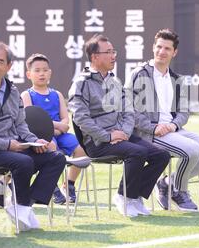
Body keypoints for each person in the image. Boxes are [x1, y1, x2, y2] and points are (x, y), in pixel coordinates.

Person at [0, 41, 66, 229]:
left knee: (56, 157)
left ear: (8, 66)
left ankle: (23, 206)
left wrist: (35, 141)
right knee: (24, 162)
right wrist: (8, 144)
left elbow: (21, 124)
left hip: (15, 147)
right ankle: (21, 207)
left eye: (0, 62)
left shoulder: (13, 90)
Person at [68, 34, 170, 217]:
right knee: (137, 152)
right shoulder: (81, 84)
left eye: (113, 51)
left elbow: (128, 112)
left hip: (120, 136)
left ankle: (135, 196)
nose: (113, 56)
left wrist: (122, 132)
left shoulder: (114, 82)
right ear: (94, 57)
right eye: (108, 52)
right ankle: (124, 196)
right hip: (98, 142)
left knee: (160, 155)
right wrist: (108, 136)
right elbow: (81, 119)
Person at [126, 28, 199, 211]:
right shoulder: (140, 74)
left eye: (167, 49)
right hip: (150, 133)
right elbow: (129, 108)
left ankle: (167, 184)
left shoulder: (177, 79)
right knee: (192, 150)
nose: (161, 52)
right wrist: (152, 127)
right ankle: (180, 191)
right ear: (153, 47)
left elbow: (184, 112)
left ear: (174, 52)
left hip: (173, 131)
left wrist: (173, 124)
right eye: (159, 47)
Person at [21, 53, 87, 204]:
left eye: (45, 70)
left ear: (50, 72)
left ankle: (69, 184)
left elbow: (65, 119)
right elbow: (33, 121)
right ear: (28, 74)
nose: (41, 73)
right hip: (41, 135)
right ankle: (51, 187)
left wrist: (59, 128)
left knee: (81, 148)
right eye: (37, 70)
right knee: (52, 148)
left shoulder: (57, 94)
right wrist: (55, 126)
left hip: (60, 134)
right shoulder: (27, 95)